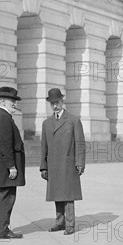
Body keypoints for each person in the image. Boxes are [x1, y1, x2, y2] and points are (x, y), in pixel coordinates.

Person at [40, 88, 86, 235]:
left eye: (57, 102)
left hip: (68, 163)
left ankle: (70, 225)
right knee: (57, 194)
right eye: (52, 103)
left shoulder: (73, 120)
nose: (55, 106)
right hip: (53, 164)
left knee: (68, 195)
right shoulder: (47, 123)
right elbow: (43, 146)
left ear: (62, 101)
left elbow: (80, 144)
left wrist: (80, 162)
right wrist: (43, 166)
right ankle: (59, 222)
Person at [0, 87, 25, 239]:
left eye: (15, 101)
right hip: (5, 166)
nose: (14, 104)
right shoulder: (4, 118)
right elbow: (4, 144)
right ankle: (2, 231)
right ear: (2, 101)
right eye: (12, 101)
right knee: (7, 197)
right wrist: (11, 166)